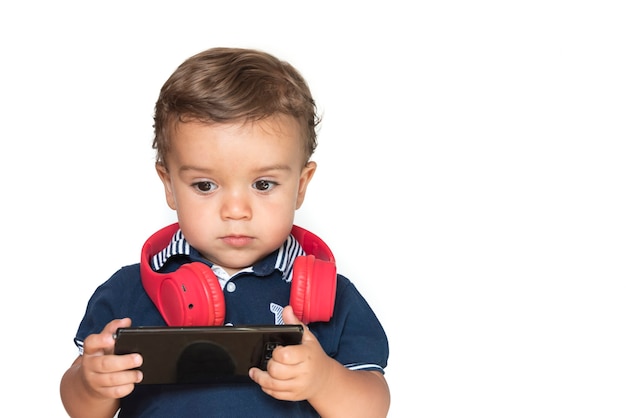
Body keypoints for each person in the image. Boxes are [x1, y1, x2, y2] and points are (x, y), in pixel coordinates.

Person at [60, 47, 390, 418]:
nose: (236, 211)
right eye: (205, 186)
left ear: (301, 185)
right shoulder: (126, 291)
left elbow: (372, 407)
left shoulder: (332, 297)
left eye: (263, 184)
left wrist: (324, 380)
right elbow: (82, 408)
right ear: (169, 185)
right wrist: (92, 384)